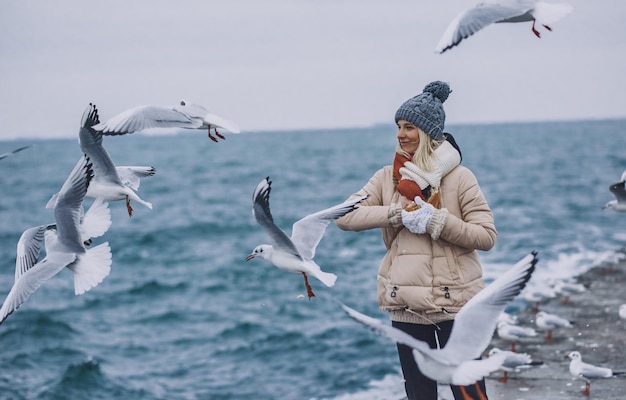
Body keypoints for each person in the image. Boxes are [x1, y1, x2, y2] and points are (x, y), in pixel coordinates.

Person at [336, 81, 497, 400]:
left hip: (456, 306)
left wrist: (438, 220)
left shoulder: (460, 178)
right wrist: (396, 213)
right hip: (406, 305)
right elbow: (344, 216)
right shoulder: (387, 178)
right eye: (398, 126)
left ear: (428, 132)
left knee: (469, 394)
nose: (400, 134)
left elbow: (486, 236)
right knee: (420, 395)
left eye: (409, 126)